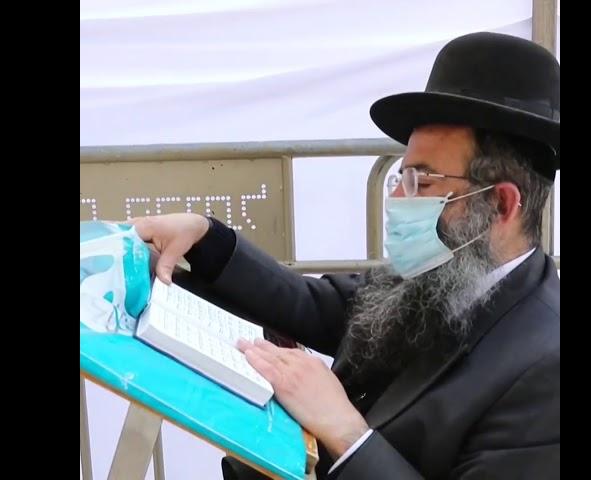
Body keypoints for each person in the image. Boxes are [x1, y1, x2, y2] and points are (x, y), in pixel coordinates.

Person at [132, 32, 560, 479]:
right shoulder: (434, 272)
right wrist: (204, 237)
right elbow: (309, 304)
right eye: (399, 176)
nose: (397, 197)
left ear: (502, 205)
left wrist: (346, 432)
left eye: (422, 182)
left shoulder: (545, 367)